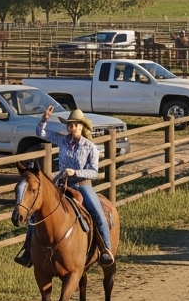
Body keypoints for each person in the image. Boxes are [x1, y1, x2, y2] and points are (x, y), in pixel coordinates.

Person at [14, 106, 114, 268]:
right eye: (70, 125)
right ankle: (28, 251)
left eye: (76, 125)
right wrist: (44, 119)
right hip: (60, 184)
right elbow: (41, 133)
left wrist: (75, 171)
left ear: (82, 127)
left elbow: (94, 172)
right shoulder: (62, 140)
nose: (73, 128)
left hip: (82, 185)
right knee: (35, 215)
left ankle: (105, 249)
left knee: (97, 212)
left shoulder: (90, 147)